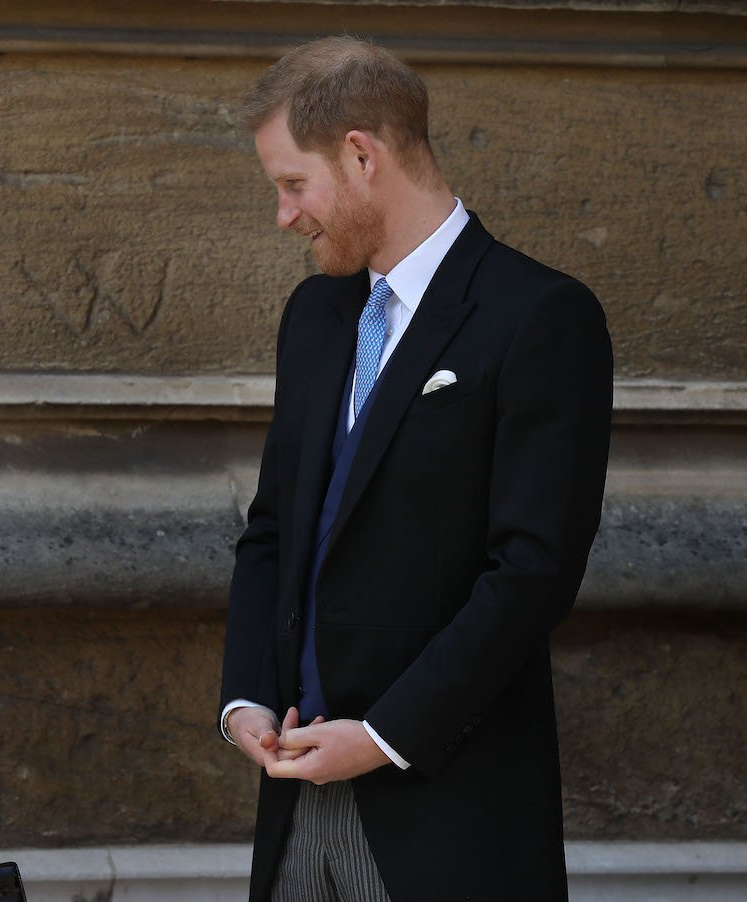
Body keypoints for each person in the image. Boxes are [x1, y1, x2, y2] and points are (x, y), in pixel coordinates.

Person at [219, 37, 612, 901]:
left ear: (362, 154)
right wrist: (244, 699)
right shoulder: (316, 313)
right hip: (293, 816)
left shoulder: (540, 317)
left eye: (293, 185)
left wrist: (384, 735)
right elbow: (276, 529)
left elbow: (532, 575)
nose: (284, 214)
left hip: (448, 816)